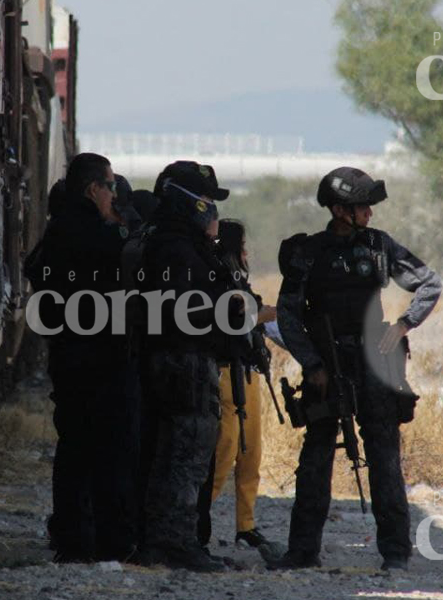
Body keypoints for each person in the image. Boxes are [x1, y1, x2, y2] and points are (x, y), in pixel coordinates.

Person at [267, 166, 441, 572]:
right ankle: (302, 552)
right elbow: (289, 316)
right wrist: (312, 364)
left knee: (384, 455)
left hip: (374, 365)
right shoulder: (307, 253)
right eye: (363, 206)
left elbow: (429, 284)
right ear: (340, 210)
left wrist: (403, 324)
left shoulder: (380, 246)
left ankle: (396, 553)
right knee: (316, 457)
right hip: (326, 367)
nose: (370, 214)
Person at [26, 152, 140, 563]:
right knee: (109, 451)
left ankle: (73, 541)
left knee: (75, 450)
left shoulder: (57, 231)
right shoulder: (96, 234)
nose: (114, 194)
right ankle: (107, 542)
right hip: (100, 358)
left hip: (71, 356)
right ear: (93, 189)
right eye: (110, 186)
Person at [133, 161, 239, 572]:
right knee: (186, 453)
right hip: (184, 359)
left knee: (168, 452)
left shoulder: (166, 240)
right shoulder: (178, 249)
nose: (212, 210)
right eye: (207, 201)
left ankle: (161, 541)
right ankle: (175, 544)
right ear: (187, 202)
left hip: (172, 358)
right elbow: (188, 309)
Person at [196, 219, 278, 550]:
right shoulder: (220, 278)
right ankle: (196, 516)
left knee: (250, 453)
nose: (247, 253)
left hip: (248, 372)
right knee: (225, 448)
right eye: (242, 246)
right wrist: (263, 314)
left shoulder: (237, 280)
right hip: (227, 372)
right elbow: (232, 318)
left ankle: (246, 525)